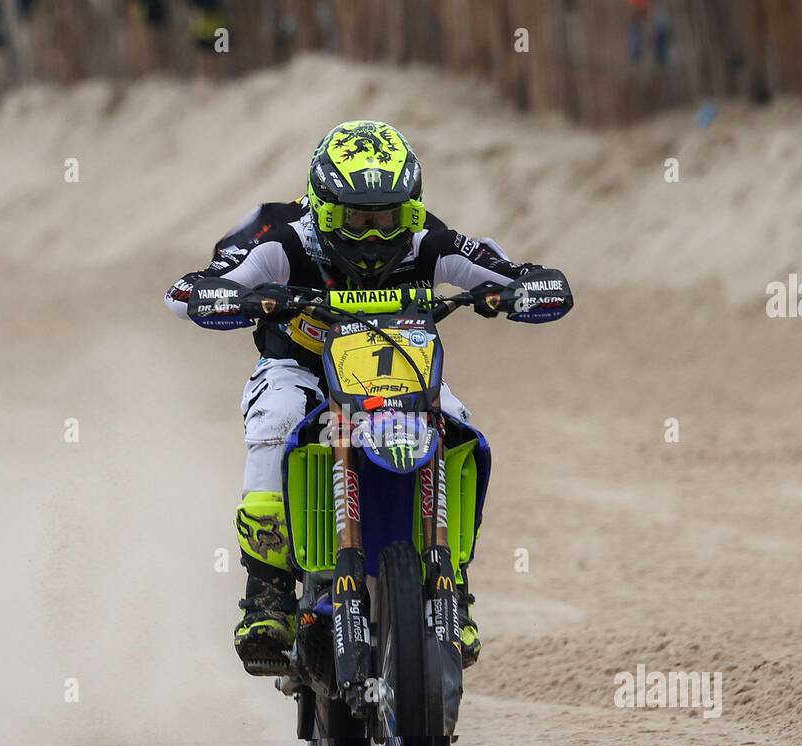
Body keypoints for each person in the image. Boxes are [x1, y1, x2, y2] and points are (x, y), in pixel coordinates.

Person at [164, 120, 573, 673]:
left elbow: (515, 271)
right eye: (359, 219)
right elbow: (186, 290)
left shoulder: (429, 240)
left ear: (412, 209)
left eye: (389, 218)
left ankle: (452, 584)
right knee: (277, 418)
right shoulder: (283, 242)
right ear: (324, 210)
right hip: (299, 370)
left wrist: (516, 290)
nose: (376, 234)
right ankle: (268, 595)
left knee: (457, 422)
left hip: (403, 368)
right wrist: (240, 298)